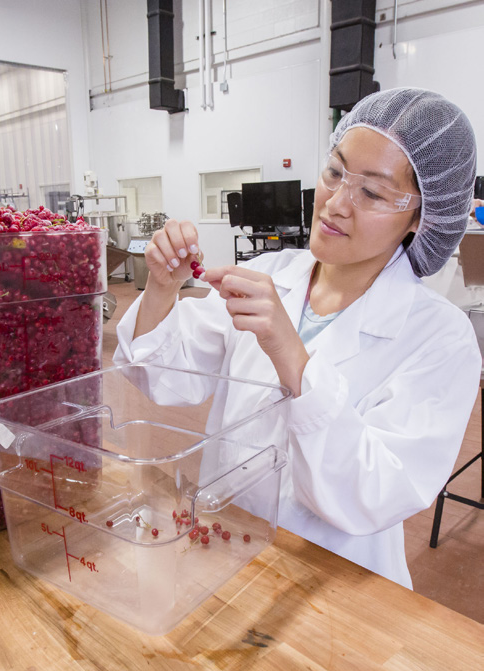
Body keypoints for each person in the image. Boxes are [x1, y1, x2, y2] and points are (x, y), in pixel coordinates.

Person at [113, 87, 482, 589]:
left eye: (371, 193)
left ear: (420, 217)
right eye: (334, 172)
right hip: (228, 547)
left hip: (334, 579)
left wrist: (292, 356)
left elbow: (376, 493)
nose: (336, 204)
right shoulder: (270, 275)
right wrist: (161, 287)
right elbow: (159, 375)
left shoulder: (441, 337)